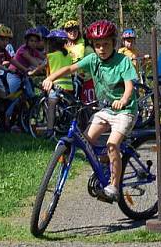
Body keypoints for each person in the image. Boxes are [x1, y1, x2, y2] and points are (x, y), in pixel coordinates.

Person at [42, 20, 136, 203]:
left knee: (111, 144)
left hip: (125, 111)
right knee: (85, 141)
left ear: (113, 43)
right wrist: (51, 78)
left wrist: (123, 100)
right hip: (106, 110)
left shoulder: (123, 61)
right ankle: (107, 160)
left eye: (106, 44)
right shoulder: (93, 59)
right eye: (98, 45)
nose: (102, 48)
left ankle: (114, 187)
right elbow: (70, 68)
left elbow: (129, 86)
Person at [5, 27, 46, 130]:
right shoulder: (23, 50)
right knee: (14, 99)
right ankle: (6, 121)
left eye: (36, 41)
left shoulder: (34, 51)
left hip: (24, 76)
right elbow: (33, 61)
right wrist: (42, 66)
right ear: (27, 41)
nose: (33, 43)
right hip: (14, 75)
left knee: (31, 96)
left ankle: (23, 121)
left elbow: (44, 57)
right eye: (31, 41)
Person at [44, 29, 73, 137]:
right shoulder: (69, 55)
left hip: (56, 86)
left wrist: (32, 72)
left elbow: (46, 71)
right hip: (68, 87)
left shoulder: (50, 56)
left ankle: (49, 131)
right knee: (67, 109)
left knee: (51, 108)